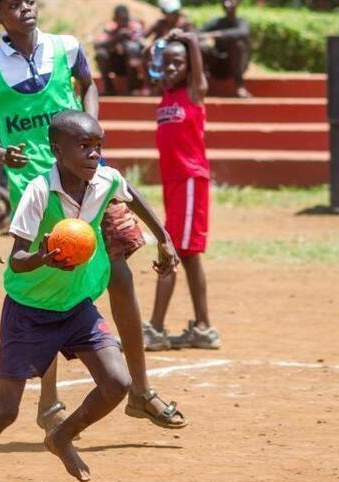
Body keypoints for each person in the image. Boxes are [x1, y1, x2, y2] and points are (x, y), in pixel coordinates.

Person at [0, 0, 187, 434]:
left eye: (29, 0)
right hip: (40, 193)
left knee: (119, 275)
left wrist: (87, 126)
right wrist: (0, 154)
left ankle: (139, 390)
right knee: (48, 287)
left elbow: (89, 85)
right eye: (14, 3)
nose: (25, 7)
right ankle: (48, 400)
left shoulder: (66, 48)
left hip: (90, 183)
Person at [0, 111, 179, 482]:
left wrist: (164, 238)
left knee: (118, 383)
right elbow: (16, 258)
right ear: (56, 150)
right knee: (5, 410)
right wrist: (45, 256)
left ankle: (62, 435)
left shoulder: (104, 180)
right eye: (84, 146)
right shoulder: (38, 191)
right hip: (29, 309)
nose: (94, 154)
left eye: (98, 146)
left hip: (76, 304)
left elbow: (131, 194)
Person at [142, 30, 221, 351]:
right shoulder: (167, 95)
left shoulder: (193, 93)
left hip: (190, 181)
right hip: (174, 184)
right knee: (188, 258)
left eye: (179, 63)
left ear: (190, 68)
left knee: (170, 250)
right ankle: (203, 328)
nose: (172, 68)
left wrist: (189, 41)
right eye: (167, 63)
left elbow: (198, 74)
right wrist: (159, 46)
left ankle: (156, 329)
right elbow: (150, 60)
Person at [199, 0, 251, 98]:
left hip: (236, 66)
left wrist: (217, 34)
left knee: (238, 45)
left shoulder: (242, 22)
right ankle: (200, 84)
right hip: (217, 65)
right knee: (201, 45)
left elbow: (243, 32)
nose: (228, 3)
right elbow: (199, 33)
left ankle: (240, 86)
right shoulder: (216, 23)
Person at [94, 5, 146, 96]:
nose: (122, 22)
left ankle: (132, 87)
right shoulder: (110, 28)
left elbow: (142, 45)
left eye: (124, 19)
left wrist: (129, 39)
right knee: (100, 54)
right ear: (115, 18)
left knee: (131, 48)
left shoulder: (134, 27)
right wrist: (116, 38)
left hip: (132, 66)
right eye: (119, 19)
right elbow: (97, 45)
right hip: (115, 64)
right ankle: (109, 88)